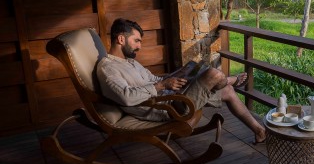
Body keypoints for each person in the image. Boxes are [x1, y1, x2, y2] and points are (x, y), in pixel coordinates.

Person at [97, 18, 266, 144]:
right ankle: (232, 80)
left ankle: (259, 131)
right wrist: (162, 85)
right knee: (214, 74)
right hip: (168, 109)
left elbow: (154, 79)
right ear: (121, 39)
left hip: (172, 96)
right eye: (136, 41)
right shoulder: (108, 68)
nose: (139, 46)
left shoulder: (130, 62)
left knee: (224, 89)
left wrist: (175, 77)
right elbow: (125, 96)